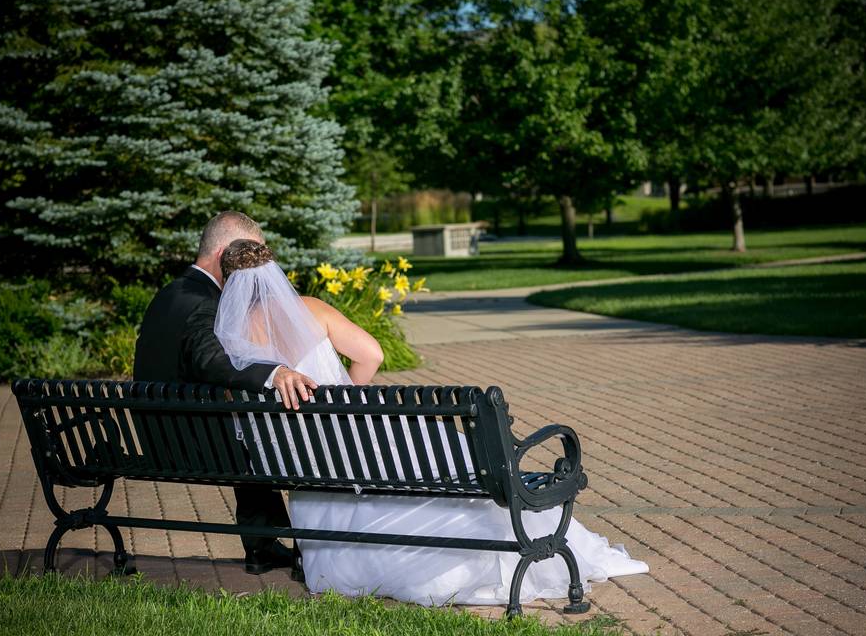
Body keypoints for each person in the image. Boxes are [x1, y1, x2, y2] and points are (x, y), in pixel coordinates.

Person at [215, 239, 649, 607]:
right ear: (274, 272)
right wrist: (342, 396)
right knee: (446, 460)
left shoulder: (228, 339)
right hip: (348, 437)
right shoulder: (310, 309)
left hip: (304, 464)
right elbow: (372, 354)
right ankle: (516, 546)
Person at [133, 211, 316, 576]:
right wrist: (274, 372)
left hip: (158, 435)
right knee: (294, 442)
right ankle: (311, 546)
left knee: (256, 434)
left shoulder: (170, 293)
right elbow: (210, 360)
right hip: (191, 444)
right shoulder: (204, 302)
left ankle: (262, 545)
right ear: (222, 255)